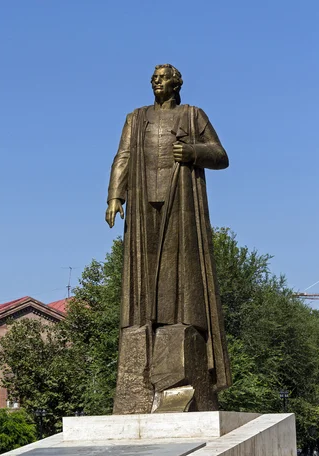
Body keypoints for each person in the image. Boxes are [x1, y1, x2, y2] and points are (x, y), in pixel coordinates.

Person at [106, 64, 231, 413]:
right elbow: (124, 156)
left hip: (181, 201)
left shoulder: (193, 116)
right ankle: (147, 338)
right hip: (145, 202)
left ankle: (180, 331)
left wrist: (193, 153)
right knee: (143, 279)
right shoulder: (137, 118)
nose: (155, 82)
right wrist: (115, 196)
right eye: (153, 78)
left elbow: (220, 156)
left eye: (162, 78)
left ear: (176, 83)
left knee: (180, 272)